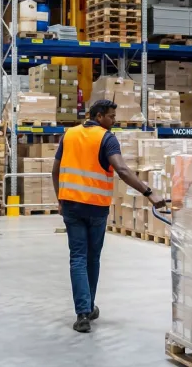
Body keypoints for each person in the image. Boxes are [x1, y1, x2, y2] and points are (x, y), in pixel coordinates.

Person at [52, 99, 167, 333]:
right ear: (100, 116)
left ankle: (84, 312)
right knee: (91, 258)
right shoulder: (106, 138)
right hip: (95, 208)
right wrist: (149, 192)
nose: (114, 121)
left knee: (78, 258)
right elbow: (122, 170)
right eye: (112, 117)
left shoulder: (69, 135)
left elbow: (55, 170)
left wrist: (59, 199)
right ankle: (87, 307)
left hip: (71, 205)